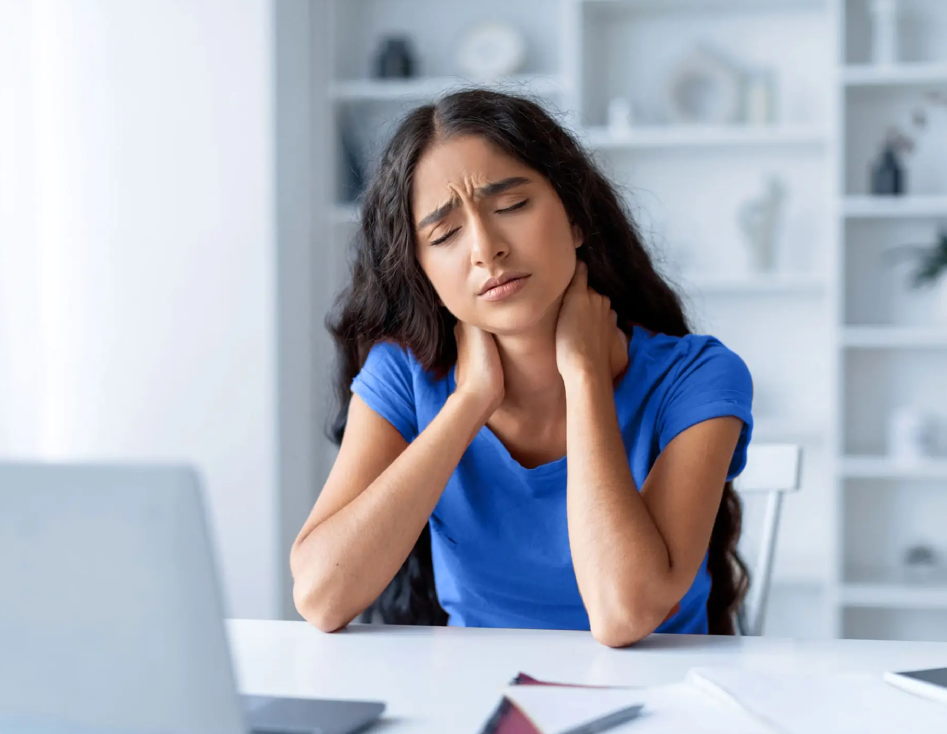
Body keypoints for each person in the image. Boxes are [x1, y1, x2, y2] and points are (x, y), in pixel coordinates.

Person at [291, 89, 754, 647]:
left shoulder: (696, 377)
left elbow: (622, 613)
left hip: (657, 699)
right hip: (476, 697)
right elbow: (321, 596)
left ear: (576, 219)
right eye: (444, 235)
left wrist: (584, 376)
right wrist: (468, 403)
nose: (486, 250)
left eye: (511, 206)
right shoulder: (403, 376)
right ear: (424, 275)